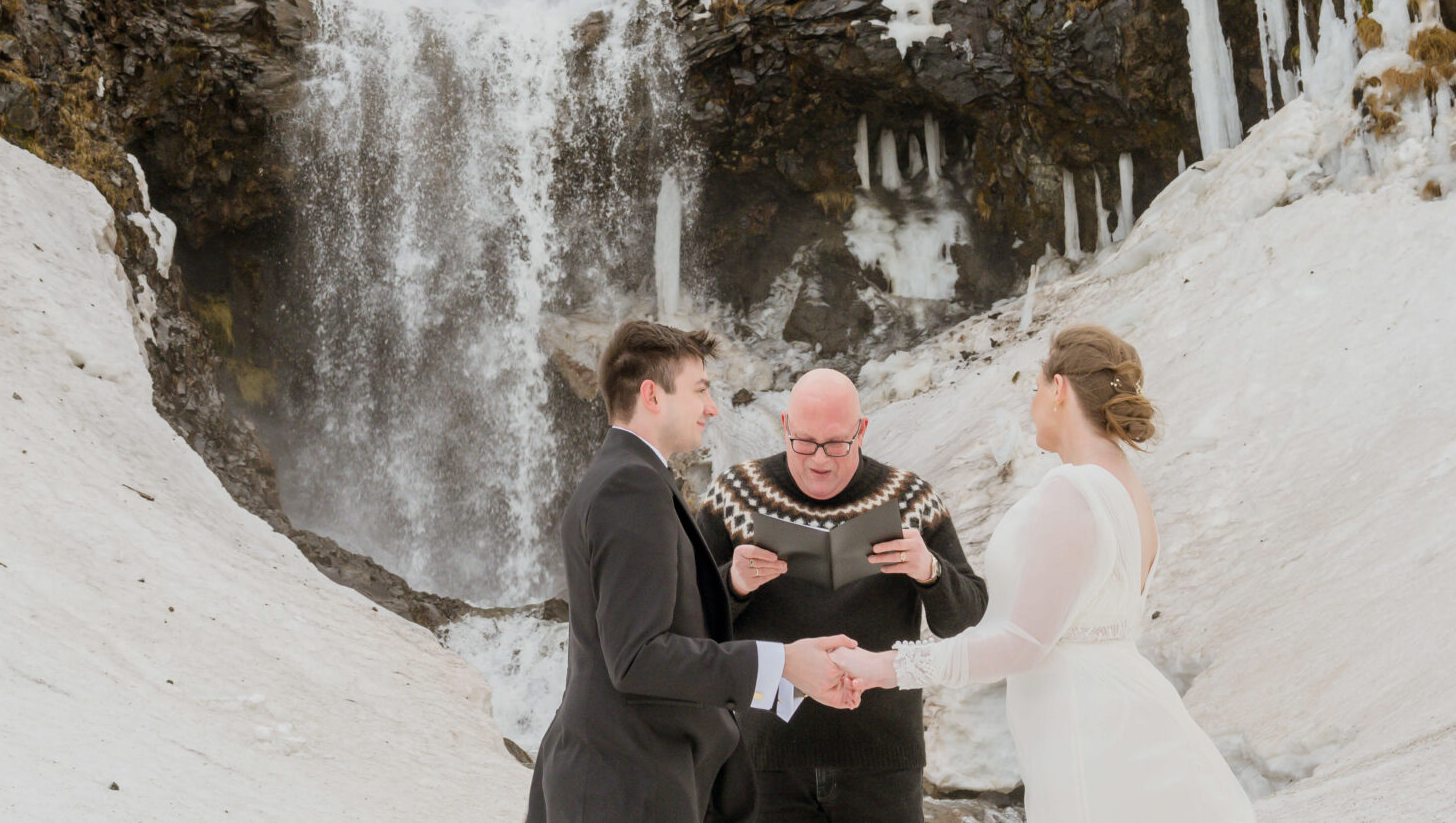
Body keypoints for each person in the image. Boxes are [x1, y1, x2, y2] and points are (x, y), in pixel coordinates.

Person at [830, 325, 1256, 823]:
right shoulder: (1128, 487)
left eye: (1034, 389)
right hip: (1117, 718)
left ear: (1059, 388)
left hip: (1087, 733)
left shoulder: (1074, 490)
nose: (1032, 404)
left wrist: (886, 667)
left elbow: (1021, 643)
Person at [527, 321, 865, 823]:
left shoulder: (625, 475)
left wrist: (789, 671)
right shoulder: (631, 485)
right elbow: (638, 658)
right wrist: (782, 663)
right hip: (622, 788)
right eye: (700, 390)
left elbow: (654, 634)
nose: (712, 408)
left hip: (619, 779)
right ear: (652, 396)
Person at [694, 368, 989, 823]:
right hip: (762, 760)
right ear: (785, 426)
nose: (819, 460)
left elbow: (966, 618)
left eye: (836, 444)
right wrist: (733, 583)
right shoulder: (734, 495)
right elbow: (688, 624)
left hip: (882, 764)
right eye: (804, 442)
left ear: (861, 431)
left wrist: (929, 570)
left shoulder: (910, 498)